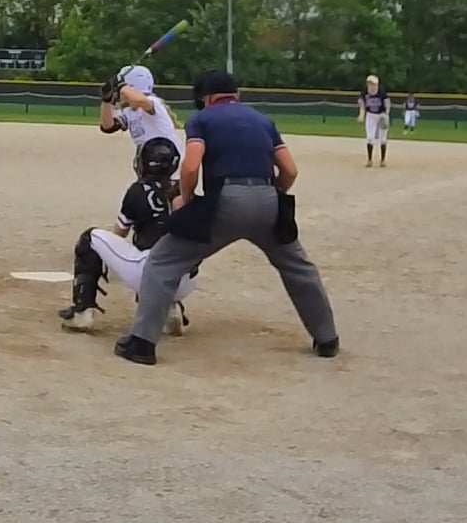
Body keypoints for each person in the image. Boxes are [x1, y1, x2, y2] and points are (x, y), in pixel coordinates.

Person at [114, 70, 338, 367]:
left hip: (225, 202)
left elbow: (191, 167)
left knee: (162, 262)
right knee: (299, 268)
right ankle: (327, 338)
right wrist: (271, 194)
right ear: (237, 95)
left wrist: (186, 201)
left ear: (206, 98)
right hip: (268, 201)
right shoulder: (263, 121)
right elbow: (290, 170)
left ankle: (142, 343)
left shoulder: (202, 119)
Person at [58, 137, 198, 336]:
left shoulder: (138, 190)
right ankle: (170, 307)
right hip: (187, 279)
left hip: (152, 275)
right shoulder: (185, 191)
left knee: (91, 239)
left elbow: (120, 233)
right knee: (169, 251)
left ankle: (82, 313)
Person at [98, 64, 184, 177]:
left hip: (169, 163)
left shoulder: (153, 102)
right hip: (152, 162)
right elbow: (108, 126)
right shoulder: (129, 112)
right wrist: (106, 101)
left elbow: (140, 100)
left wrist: (121, 86)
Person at [357, 74, 391, 167]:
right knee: (370, 138)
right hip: (371, 116)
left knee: (383, 139)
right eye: (369, 83)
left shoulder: (382, 92)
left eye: (373, 84)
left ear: (377, 84)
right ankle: (369, 160)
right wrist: (361, 114)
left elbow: (387, 104)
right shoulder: (364, 93)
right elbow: (362, 105)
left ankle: (383, 160)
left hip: (381, 116)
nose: (371, 86)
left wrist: (386, 116)